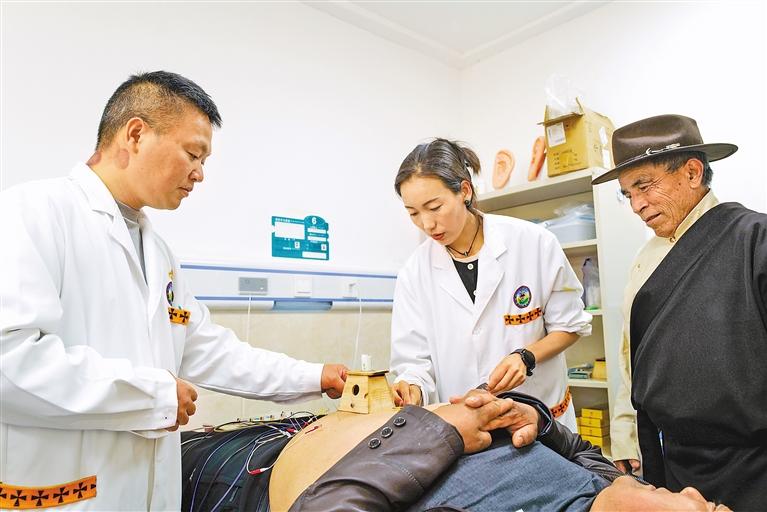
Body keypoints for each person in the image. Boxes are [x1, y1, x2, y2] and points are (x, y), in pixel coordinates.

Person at [0, 71, 347, 510]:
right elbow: (9, 362)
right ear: (136, 134)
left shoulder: (159, 253)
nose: (199, 174)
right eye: (193, 154)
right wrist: (152, 395)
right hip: (64, 493)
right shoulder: (31, 214)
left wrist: (315, 376)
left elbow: (212, 351)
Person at [591, 114, 767, 509]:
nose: (636, 205)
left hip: (754, 465)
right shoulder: (645, 261)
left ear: (691, 172)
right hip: (673, 461)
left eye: (644, 186)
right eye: (627, 194)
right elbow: (632, 356)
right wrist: (626, 432)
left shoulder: (755, 240)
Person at [389, 138, 591, 431]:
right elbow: (413, 360)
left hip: (540, 421)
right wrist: (412, 385)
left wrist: (526, 357)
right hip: (467, 429)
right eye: (414, 213)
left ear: (465, 191)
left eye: (435, 207)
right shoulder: (414, 272)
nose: (427, 224)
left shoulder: (533, 243)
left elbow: (570, 326)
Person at [271, 389, 731, 511]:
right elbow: (582, 451)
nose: (692, 491)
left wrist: (441, 432)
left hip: (280, 459)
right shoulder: (608, 489)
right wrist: (537, 421)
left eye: (705, 511)